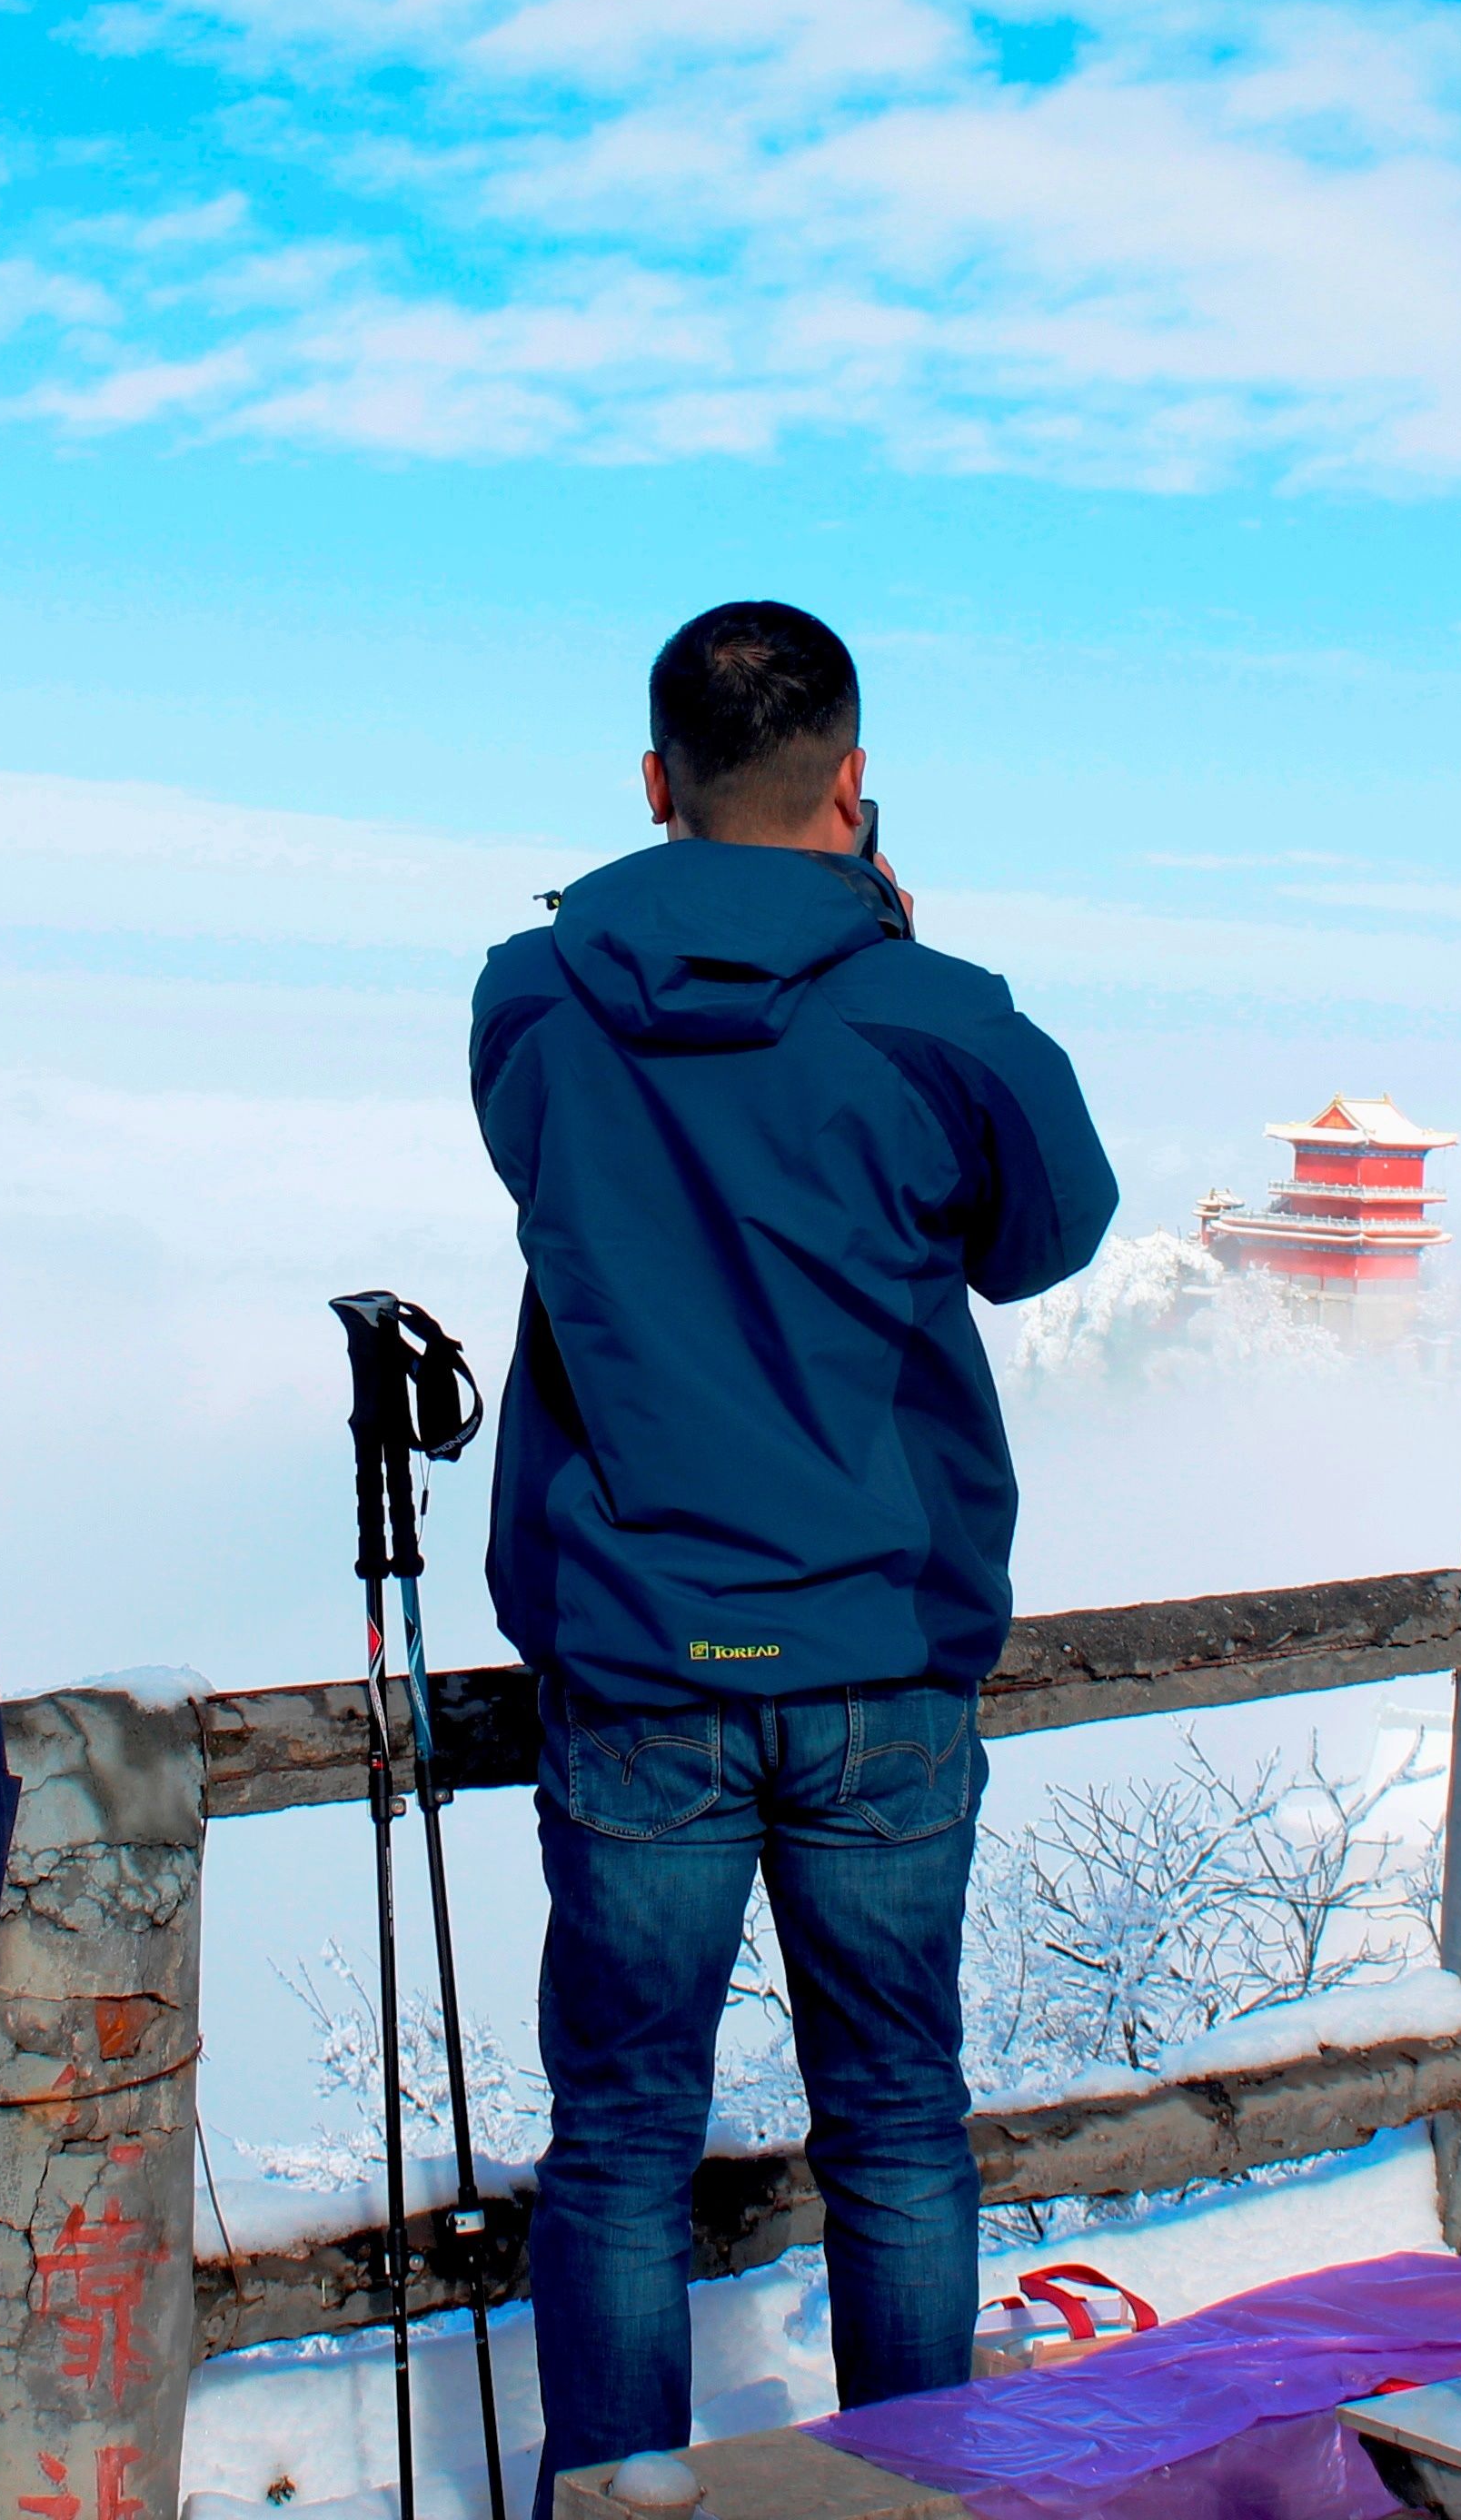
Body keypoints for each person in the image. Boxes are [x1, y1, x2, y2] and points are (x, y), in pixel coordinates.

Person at [474, 603, 1114, 2512]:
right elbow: (1048, 1234)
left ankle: (612, 2499)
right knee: (903, 2123)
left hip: (645, 1641)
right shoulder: (936, 1010)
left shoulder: (534, 993)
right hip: (876, 1642)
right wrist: (884, 945)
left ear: (653, 784)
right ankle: (920, 2497)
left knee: (618, 2141)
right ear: (854, 786)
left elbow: (551, 1169)